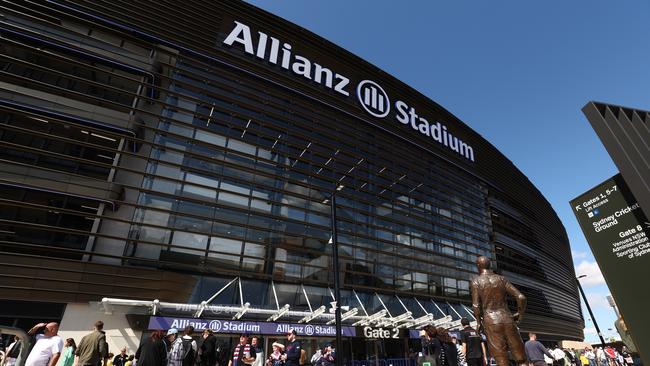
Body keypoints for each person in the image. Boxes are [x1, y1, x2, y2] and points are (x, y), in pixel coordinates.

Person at [470, 256, 527, 366]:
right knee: (521, 358)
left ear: (478, 266)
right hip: (507, 318)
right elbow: (521, 297)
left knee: (501, 358)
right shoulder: (501, 279)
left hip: (491, 321)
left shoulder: (476, 281)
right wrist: (520, 314)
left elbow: (476, 305)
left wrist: (478, 322)